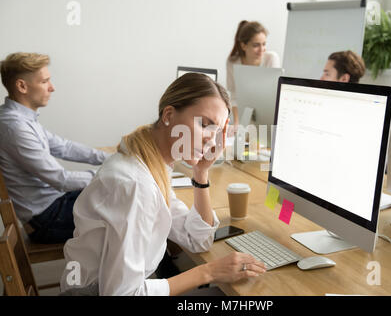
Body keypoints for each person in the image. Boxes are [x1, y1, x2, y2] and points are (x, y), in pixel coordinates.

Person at [60, 73, 266, 296]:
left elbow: (197, 239)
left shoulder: (151, 163)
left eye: (216, 131)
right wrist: (208, 272)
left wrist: (201, 172)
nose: (211, 139)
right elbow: (121, 294)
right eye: (205, 124)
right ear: (169, 115)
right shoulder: (136, 184)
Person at [0, 52, 110, 244]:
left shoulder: (21, 119)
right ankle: (164, 271)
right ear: (22, 86)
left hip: (55, 205)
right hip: (48, 219)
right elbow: (61, 180)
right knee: (130, 210)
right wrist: (113, 174)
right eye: (44, 82)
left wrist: (110, 159)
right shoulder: (15, 127)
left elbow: (64, 147)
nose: (52, 88)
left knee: (126, 198)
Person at [226, 20, 280, 130]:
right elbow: (234, 95)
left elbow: (273, 97)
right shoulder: (233, 62)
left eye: (264, 44)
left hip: (268, 115)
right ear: (243, 46)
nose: (262, 50)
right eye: (256, 45)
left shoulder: (271, 59)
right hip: (243, 117)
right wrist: (237, 123)